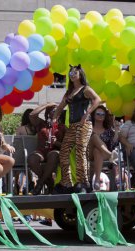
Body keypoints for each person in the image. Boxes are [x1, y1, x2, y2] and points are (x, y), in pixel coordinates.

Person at [52, 64, 101, 194]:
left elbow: (97, 100)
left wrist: (88, 113)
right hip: (73, 126)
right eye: (70, 73)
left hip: (84, 124)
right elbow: (61, 106)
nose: (72, 75)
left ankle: (83, 183)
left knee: (80, 151)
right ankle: (66, 183)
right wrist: (54, 117)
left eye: (75, 72)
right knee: (64, 152)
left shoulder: (86, 89)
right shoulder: (69, 92)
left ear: (80, 74)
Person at [28, 103, 66, 195]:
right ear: (48, 113)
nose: (56, 112)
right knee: (32, 159)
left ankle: (40, 183)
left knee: (54, 155)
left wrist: (56, 143)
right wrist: (47, 104)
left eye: (57, 110)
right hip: (41, 150)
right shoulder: (41, 123)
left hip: (54, 150)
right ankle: (49, 182)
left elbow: (67, 146)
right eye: (53, 110)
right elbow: (32, 115)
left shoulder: (63, 127)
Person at [89, 105, 120, 191]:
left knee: (97, 151)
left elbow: (113, 145)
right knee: (94, 137)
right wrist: (111, 154)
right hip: (89, 154)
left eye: (102, 114)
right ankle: (110, 155)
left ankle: (97, 181)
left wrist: (116, 132)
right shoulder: (88, 128)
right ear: (93, 115)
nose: (100, 115)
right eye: (98, 113)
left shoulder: (108, 130)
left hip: (102, 155)